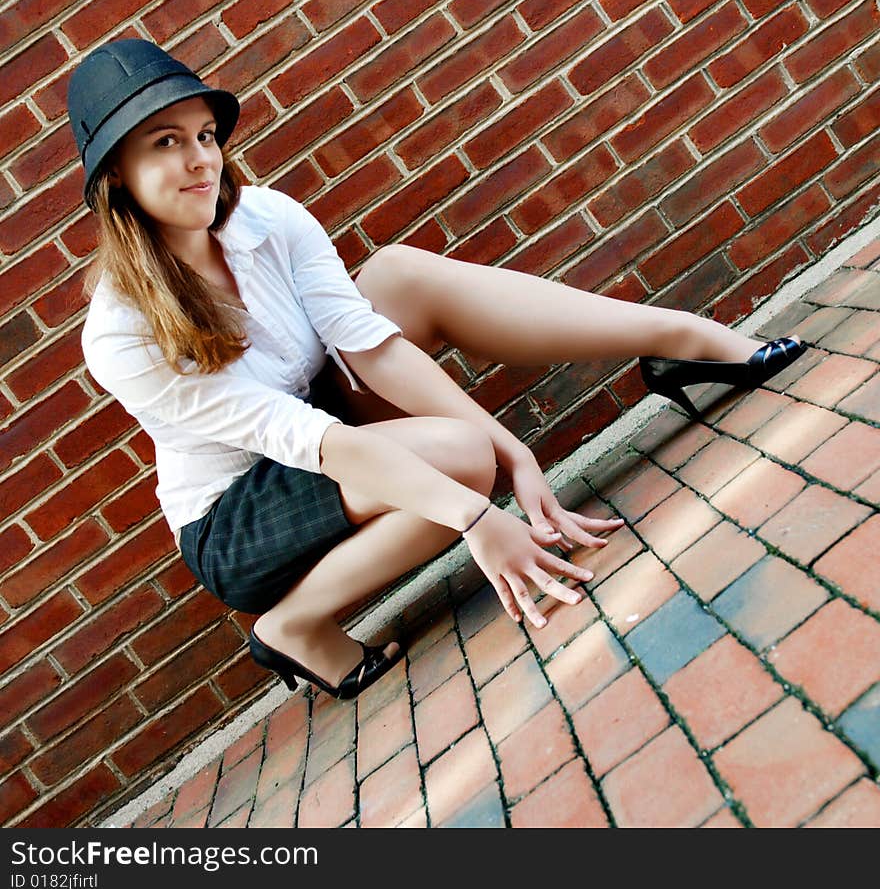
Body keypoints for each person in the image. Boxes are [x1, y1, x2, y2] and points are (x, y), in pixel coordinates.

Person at [68, 39, 806, 701]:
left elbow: (371, 345)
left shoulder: (266, 217)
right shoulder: (119, 333)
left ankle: (681, 336)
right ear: (117, 178)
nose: (201, 159)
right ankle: (291, 624)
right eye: (166, 143)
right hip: (240, 511)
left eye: (204, 135)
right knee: (459, 460)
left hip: (325, 429)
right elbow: (305, 439)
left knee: (395, 278)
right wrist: (477, 514)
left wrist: (516, 454)